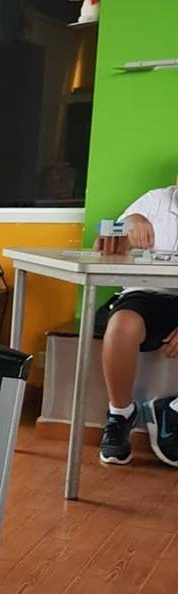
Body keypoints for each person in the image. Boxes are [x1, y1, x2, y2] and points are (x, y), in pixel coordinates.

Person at [96, 185, 178, 467]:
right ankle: (120, 415)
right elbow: (111, 239)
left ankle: (173, 410)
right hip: (145, 293)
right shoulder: (156, 200)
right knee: (122, 326)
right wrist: (132, 223)